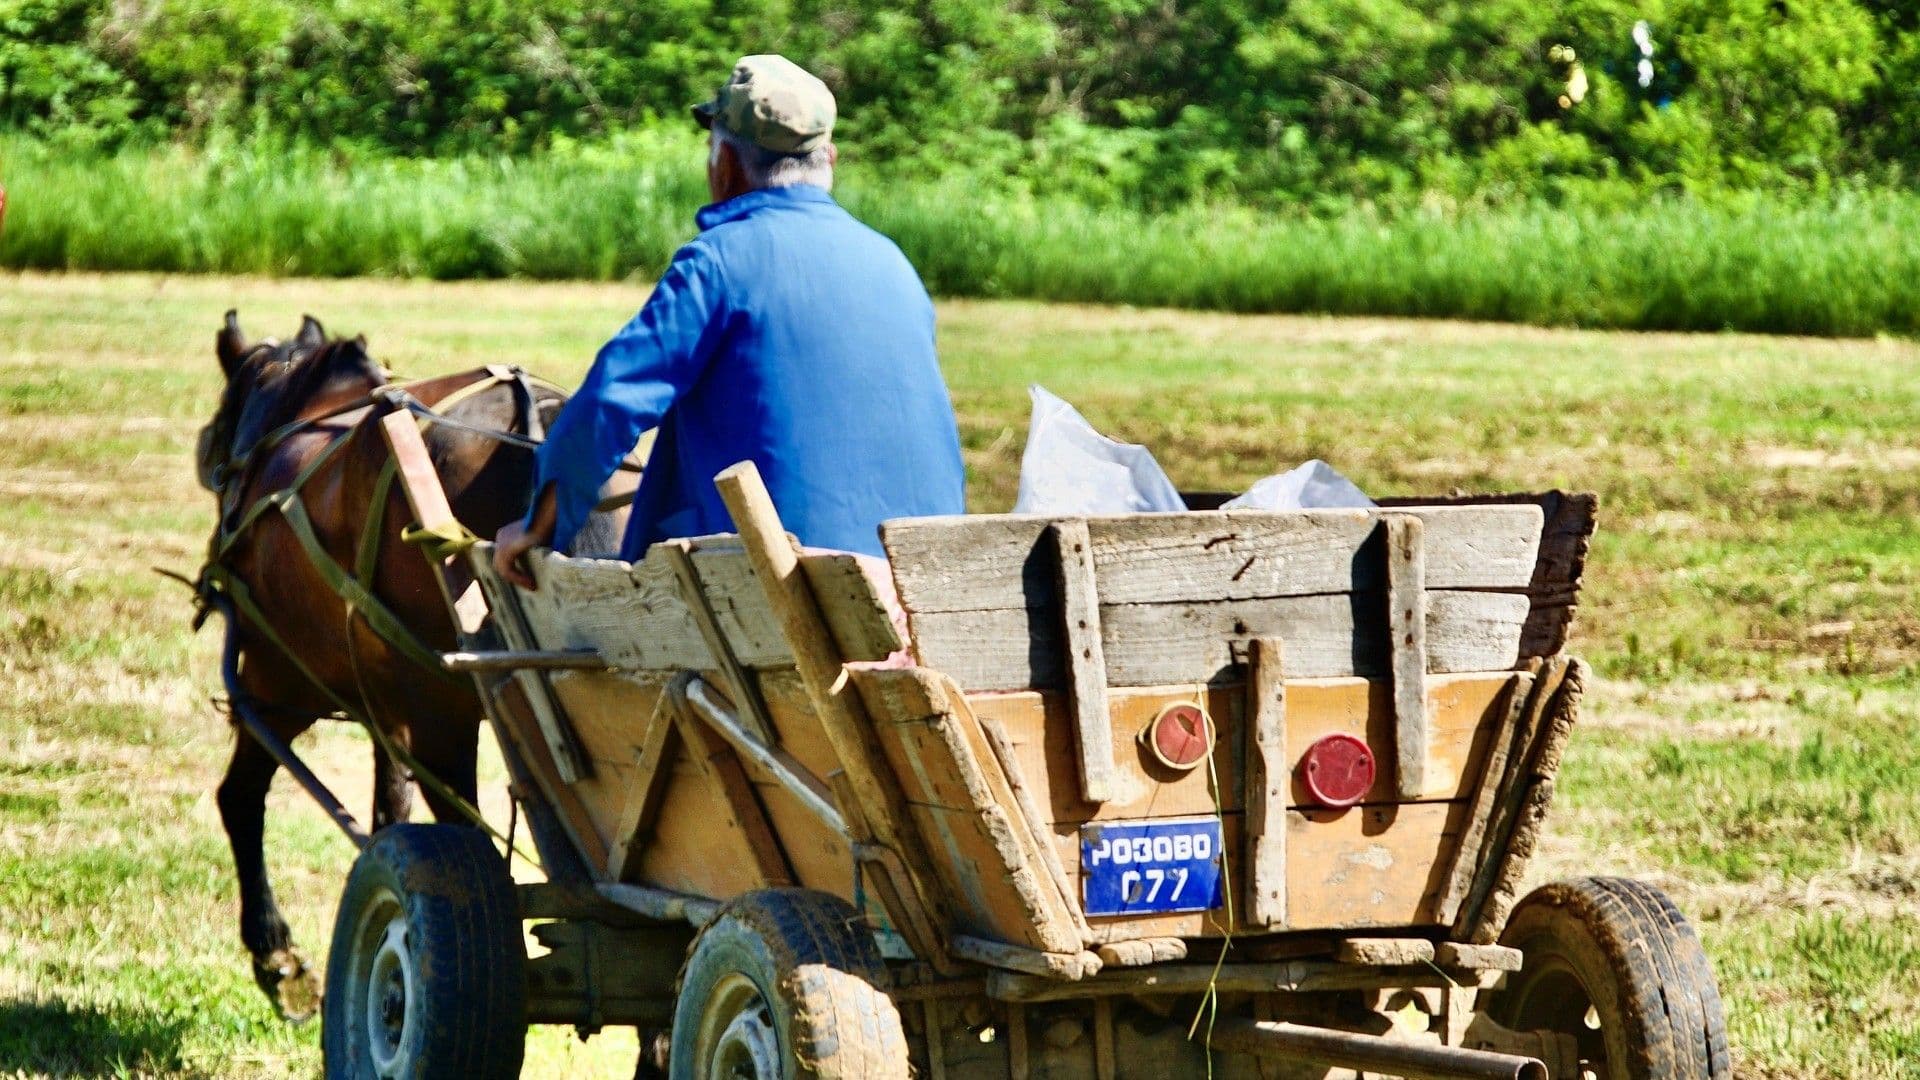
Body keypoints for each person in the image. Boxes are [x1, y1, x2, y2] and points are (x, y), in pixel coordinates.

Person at [493, 54, 966, 587]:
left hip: (783, 585)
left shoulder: (720, 261)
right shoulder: (893, 263)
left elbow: (610, 402)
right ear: (829, 158)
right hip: (924, 578)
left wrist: (539, 524)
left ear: (726, 165)